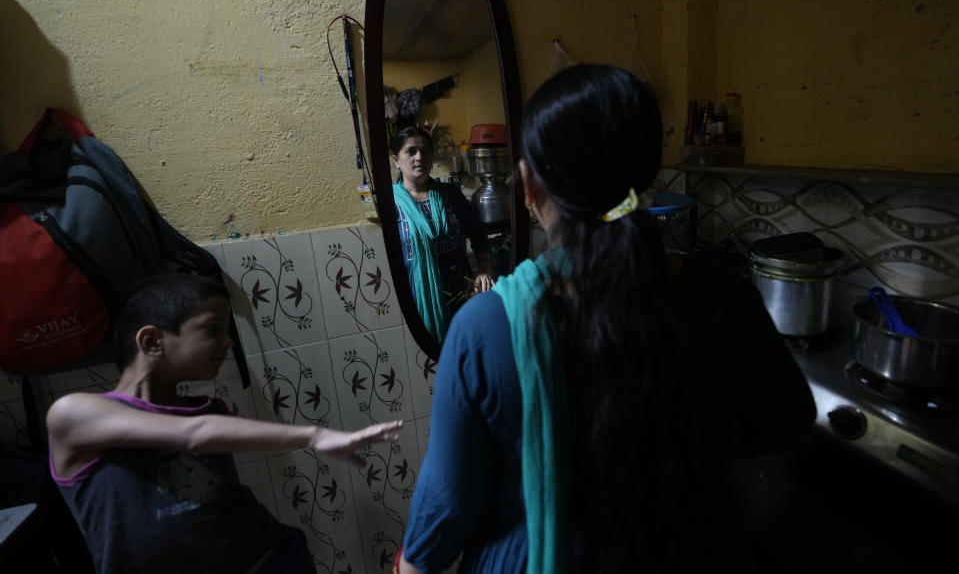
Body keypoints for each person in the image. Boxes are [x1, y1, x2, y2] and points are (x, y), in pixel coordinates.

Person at [397, 65, 817, 573]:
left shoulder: (485, 330)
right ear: (645, 175)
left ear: (529, 188)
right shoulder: (726, 295)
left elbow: (437, 529)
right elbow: (784, 425)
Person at [46, 274, 403, 574]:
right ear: (152, 340)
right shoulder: (74, 414)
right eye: (212, 329)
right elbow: (194, 436)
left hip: (269, 559)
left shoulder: (208, 409)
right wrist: (316, 435)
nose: (227, 341)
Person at [391, 126, 494, 342]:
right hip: (419, 302)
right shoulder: (390, 205)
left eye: (426, 151)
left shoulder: (450, 194)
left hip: (462, 299)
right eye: (411, 151)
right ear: (396, 160)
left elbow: (477, 232)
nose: (420, 157)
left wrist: (483, 268)